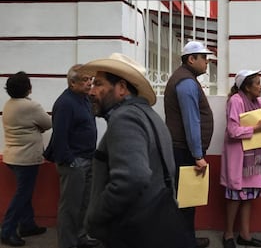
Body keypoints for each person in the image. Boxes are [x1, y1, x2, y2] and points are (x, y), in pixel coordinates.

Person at [80, 53, 188, 248]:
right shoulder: (149, 116)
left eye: (99, 84)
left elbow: (132, 178)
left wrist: (95, 217)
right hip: (155, 224)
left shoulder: (125, 118)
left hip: (133, 231)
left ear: (121, 88)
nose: (91, 91)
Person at [164, 40, 214, 248]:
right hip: (184, 151)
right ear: (191, 59)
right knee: (185, 201)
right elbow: (191, 121)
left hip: (184, 150)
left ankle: (187, 239)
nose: (207, 62)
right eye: (204, 58)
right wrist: (198, 155)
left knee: (187, 200)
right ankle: (184, 242)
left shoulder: (186, 79)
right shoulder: (185, 82)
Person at [43, 65, 98, 248]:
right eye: (85, 79)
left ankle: (81, 237)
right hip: (74, 162)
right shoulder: (65, 103)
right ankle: (67, 244)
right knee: (70, 208)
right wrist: (70, 161)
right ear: (72, 82)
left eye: (90, 79)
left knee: (84, 204)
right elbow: (59, 136)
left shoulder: (84, 99)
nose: (90, 82)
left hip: (88, 159)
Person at [220, 69, 261, 248]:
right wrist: (256, 129)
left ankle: (245, 235)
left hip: (253, 159)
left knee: (249, 195)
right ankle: (228, 235)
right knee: (235, 196)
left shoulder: (258, 102)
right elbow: (233, 131)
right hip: (239, 157)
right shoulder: (235, 101)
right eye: (257, 83)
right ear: (247, 87)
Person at [1, 71, 51, 247]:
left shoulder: (8, 105)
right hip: (26, 158)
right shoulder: (30, 106)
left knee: (25, 192)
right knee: (22, 195)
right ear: (28, 88)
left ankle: (27, 225)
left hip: (12, 157)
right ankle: (7, 230)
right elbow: (48, 123)